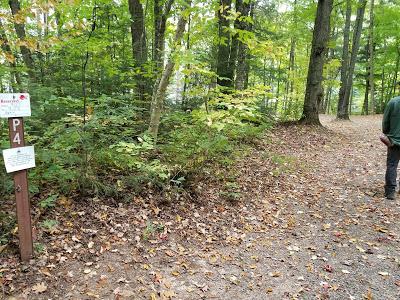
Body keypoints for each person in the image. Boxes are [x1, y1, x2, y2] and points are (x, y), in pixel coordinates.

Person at [382, 94, 400, 200]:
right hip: (395, 140)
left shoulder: (393, 102)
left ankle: (390, 192)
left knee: (392, 165)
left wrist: (387, 132)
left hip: (394, 141)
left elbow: (385, 122)